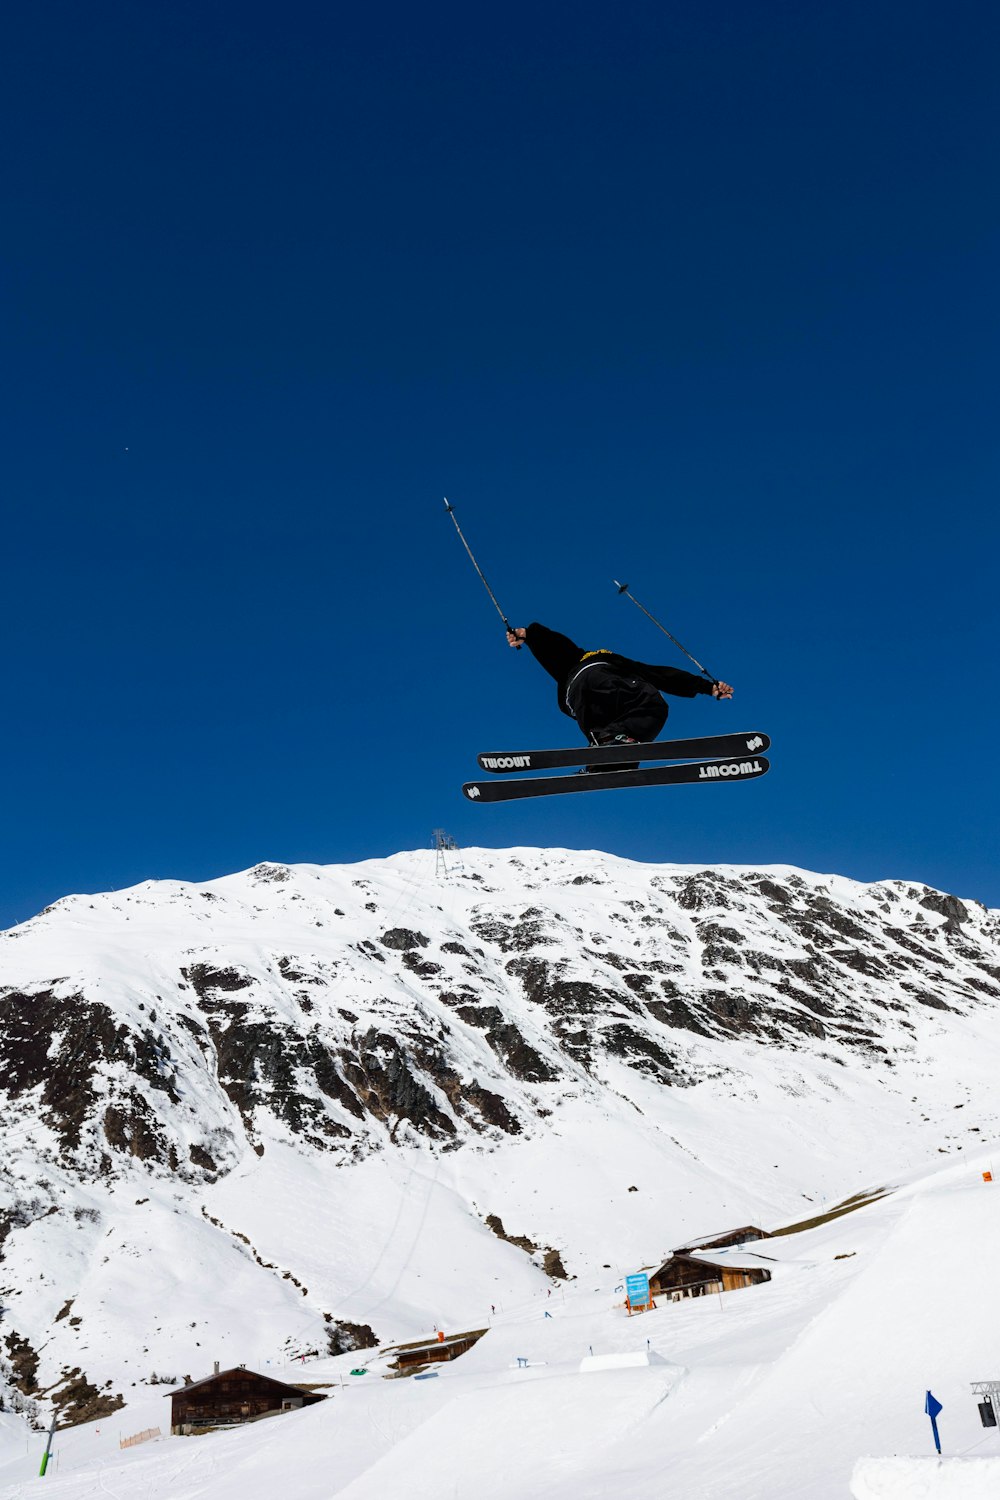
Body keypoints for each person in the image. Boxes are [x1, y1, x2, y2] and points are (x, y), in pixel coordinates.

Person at [506, 622, 732, 764]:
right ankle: (614, 744)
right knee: (654, 706)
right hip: (603, 680)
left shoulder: (571, 661)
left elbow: (556, 647)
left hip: (574, 700)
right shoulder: (609, 661)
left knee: (613, 738)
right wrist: (706, 687)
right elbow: (662, 675)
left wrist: (530, 635)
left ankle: (603, 757)